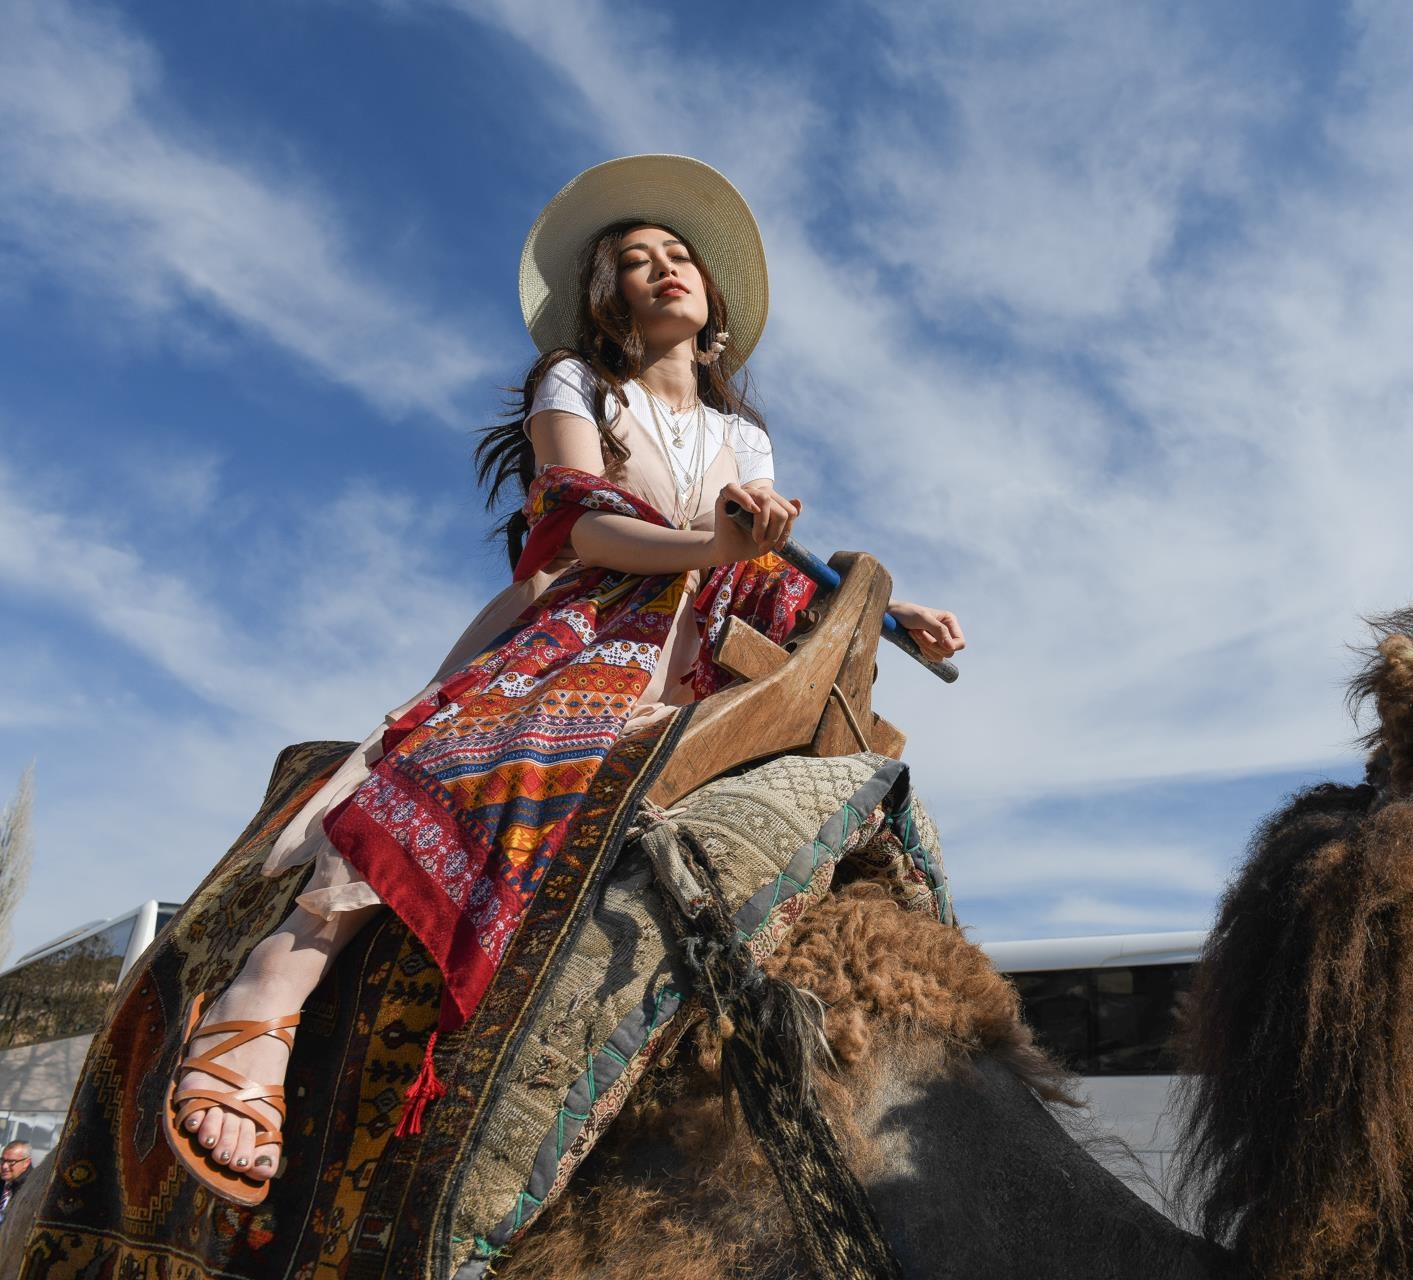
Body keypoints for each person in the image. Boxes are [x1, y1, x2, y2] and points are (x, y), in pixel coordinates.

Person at [164, 155, 965, 1206]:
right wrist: (713, 545)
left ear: (711, 300)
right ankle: (277, 978)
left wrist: (871, 611)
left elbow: (764, 568)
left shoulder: (745, 435)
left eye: (678, 255)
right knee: (488, 767)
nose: (664, 267)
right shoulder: (577, 384)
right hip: (586, 625)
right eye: (635, 261)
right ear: (609, 298)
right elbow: (577, 522)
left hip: (707, 658)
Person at [0, 1142, 30, 1224]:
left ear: (26, 1163)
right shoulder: (3, 1181)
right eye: (3, 1160)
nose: (4, 1166)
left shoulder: (30, 1190)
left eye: (11, 1162)